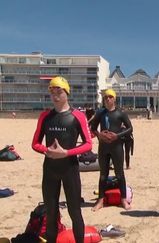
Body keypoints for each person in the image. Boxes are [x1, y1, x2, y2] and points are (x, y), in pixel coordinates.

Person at [31, 76, 92, 243]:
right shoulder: (45, 116)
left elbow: (88, 144)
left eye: (59, 90)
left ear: (67, 92)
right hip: (50, 169)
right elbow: (35, 143)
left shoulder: (77, 116)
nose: (55, 94)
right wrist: (47, 150)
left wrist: (66, 152)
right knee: (51, 212)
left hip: (70, 169)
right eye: (52, 90)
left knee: (75, 212)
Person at [90, 89, 133, 211]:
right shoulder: (100, 113)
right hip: (104, 147)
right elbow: (93, 128)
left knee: (120, 174)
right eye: (105, 97)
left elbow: (130, 128)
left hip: (117, 147)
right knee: (103, 175)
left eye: (110, 97)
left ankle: (123, 200)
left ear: (114, 99)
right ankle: (100, 201)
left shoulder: (121, 113)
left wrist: (117, 136)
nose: (107, 99)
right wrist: (99, 135)